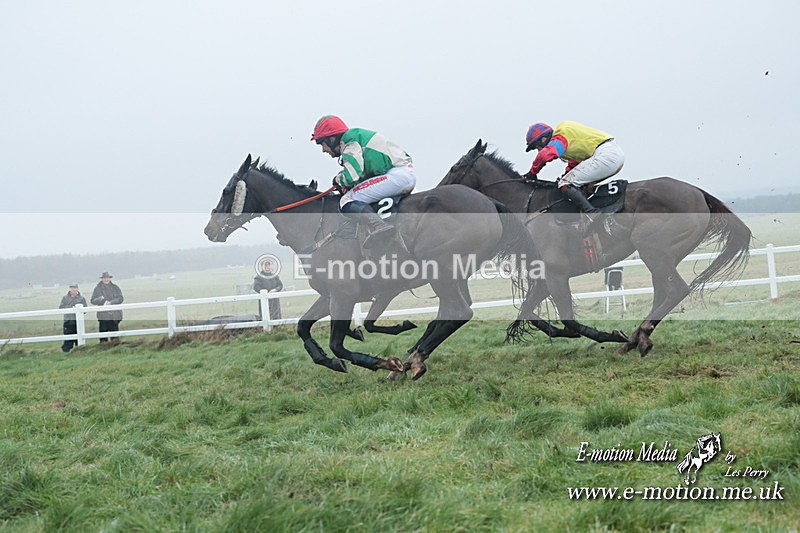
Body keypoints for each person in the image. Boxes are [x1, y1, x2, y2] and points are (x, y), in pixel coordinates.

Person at [310, 115, 416, 248]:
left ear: (332, 139)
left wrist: (338, 179)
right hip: (401, 173)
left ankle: (379, 226)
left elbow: (352, 175)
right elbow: (361, 175)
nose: (323, 150)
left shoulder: (349, 141)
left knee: (346, 200)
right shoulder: (356, 137)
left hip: (397, 175)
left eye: (322, 144)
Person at [524, 120, 625, 223]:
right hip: (610, 153)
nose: (538, 151)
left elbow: (544, 155)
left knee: (565, 183)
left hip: (606, 155)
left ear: (543, 140)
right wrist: (566, 174)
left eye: (537, 147)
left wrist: (532, 173)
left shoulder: (560, 136)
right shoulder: (565, 137)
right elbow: (575, 162)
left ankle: (592, 214)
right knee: (572, 184)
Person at [90, 271, 124, 342]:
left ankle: (115, 346)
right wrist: (100, 299)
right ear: (102, 279)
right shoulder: (97, 289)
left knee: (115, 335)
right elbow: (93, 300)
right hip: (103, 316)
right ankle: (103, 346)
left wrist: (111, 302)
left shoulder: (115, 287)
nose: (106, 279)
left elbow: (120, 298)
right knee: (103, 336)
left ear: (109, 278)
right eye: (104, 278)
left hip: (114, 315)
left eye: (107, 278)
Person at [59, 283, 87, 352]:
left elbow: (85, 309)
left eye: (74, 288)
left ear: (77, 289)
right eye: (72, 288)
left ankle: (79, 351)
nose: (73, 289)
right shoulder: (65, 298)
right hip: (68, 321)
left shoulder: (82, 298)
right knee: (68, 339)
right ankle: (66, 352)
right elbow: (61, 307)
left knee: (79, 339)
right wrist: (71, 308)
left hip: (78, 322)